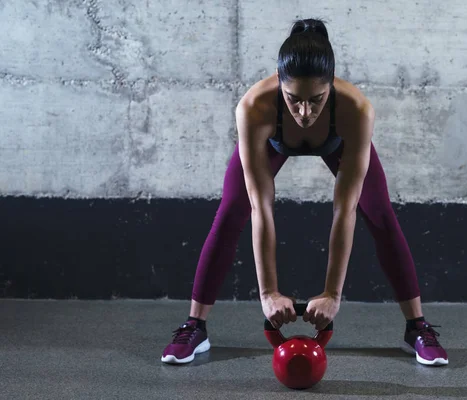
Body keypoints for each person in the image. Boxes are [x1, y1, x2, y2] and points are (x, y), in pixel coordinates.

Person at [161, 18, 448, 367]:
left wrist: (332, 294)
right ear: (279, 85)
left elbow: (345, 210)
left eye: (317, 100)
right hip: (273, 142)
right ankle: (195, 326)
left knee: (379, 211)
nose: (305, 112)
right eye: (293, 100)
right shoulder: (254, 107)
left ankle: (417, 327)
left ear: (332, 86)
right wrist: (267, 293)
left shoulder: (355, 111)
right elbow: (260, 207)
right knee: (232, 209)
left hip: (336, 142)